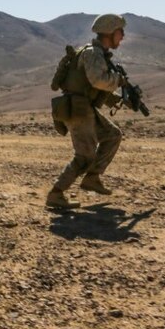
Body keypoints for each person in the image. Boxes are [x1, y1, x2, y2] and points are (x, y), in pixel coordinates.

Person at [46, 13, 127, 209]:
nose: (122, 36)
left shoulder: (98, 53)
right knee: (84, 156)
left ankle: (92, 177)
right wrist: (118, 80)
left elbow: (93, 86)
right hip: (78, 110)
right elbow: (98, 80)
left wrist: (120, 98)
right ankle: (56, 194)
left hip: (84, 107)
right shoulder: (93, 53)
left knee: (112, 135)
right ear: (109, 32)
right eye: (120, 32)